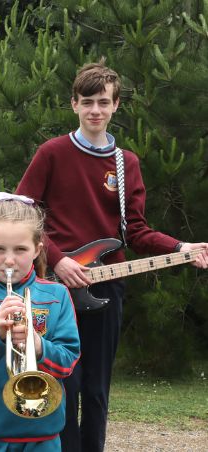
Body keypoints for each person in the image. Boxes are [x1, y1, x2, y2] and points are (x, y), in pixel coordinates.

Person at [15, 62, 208, 451]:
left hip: (108, 288)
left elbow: (135, 230)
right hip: (54, 292)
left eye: (103, 102)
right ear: (74, 104)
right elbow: (22, 214)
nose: (95, 111)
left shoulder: (127, 163)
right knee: (59, 380)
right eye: (87, 102)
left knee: (97, 388)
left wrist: (180, 248)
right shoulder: (51, 153)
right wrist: (56, 258)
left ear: (116, 105)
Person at [0, 193, 80, 451]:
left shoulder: (57, 296)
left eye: (20, 249)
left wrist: (38, 346)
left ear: (37, 250)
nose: (9, 260)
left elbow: (68, 361)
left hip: (42, 431)